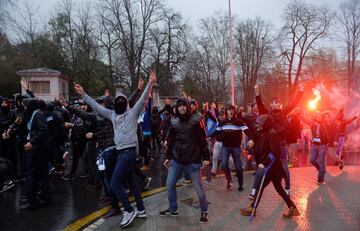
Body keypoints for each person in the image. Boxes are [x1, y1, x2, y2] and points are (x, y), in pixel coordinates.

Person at [74, 72, 156, 228]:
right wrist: (83, 94)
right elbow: (96, 106)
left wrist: (150, 83)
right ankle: (140, 209)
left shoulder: (132, 113)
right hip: (120, 153)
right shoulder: (111, 115)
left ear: (125, 104)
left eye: (122, 102)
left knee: (115, 183)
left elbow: (142, 98)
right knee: (131, 183)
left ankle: (128, 210)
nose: (119, 104)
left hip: (129, 153)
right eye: (117, 102)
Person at [159, 97, 210, 224]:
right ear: (177, 108)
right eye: (179, 105)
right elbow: (171, 141)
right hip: (177, 160)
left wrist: (206, 158)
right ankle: (173, 209)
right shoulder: (174, 121)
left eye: (184, 105)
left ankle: (204, 211)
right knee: (170, 184)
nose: (182, 108)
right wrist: (168, 157)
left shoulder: (197, 120)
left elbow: (203, 140)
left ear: (188, 107)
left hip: (193, 161)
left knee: (199, 188)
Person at [240, 114, 300, 219]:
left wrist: (265, 163)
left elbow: (274, 152)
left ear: (266, 122)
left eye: (261, 121)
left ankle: (253, 208)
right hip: (273, 168)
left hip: (272, 168)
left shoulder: (272, 134)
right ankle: (292, 207)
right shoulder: (265, 133)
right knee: (278, 189)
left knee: (260, 186)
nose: (259, 124)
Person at [255, 84, 303, 195]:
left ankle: (287, 187)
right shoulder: (267, 114)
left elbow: (293, 104)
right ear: (271, 104)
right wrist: (257, 94)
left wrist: (300, 92)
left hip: (281, 145)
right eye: (275, 102)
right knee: (267, 168)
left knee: (284, 167)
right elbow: (260, 106)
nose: (277, 104)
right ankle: (256, 192)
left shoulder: (284, 112)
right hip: (270, 146)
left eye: (279, 103)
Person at [215, 104, 254, 191]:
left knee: (238, 167)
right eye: (229, 110)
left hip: (236, 147)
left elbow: (247, 131)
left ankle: (240, 185)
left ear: (234, 111)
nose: (230, 111)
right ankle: (229, 181)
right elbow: (216, 133)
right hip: (225, 147)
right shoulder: (222, 122)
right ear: (226, 112)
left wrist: (251, 139)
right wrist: (211, 136)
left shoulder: (238, 121)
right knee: (224, 165)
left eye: (232, 110)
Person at [300, 112, 330, 185]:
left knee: (321, 162)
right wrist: (299, 114)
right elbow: (305, 119)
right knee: (312, 160)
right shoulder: (312, 123)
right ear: (315, 117)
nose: (319, 117)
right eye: (318, 116)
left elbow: (330, 132)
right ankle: (321, 170)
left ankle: (320, 180)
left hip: (322, 145)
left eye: (320, 116)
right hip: (314, 145)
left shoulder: (325, 124)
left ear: (322, 118)